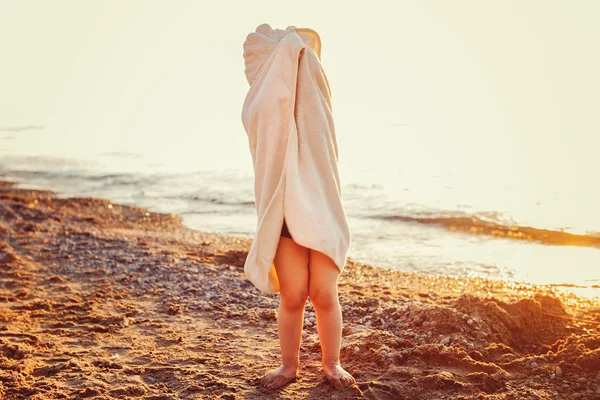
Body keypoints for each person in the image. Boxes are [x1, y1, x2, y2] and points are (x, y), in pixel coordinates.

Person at [255, 28, 356, 391]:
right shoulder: (270, 99)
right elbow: (262, 111)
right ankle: (288, 366)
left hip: (322, 209)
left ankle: (332, 364)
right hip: (285, 214)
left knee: (325, 293)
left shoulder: (317, 97)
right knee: (294, 294)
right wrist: (286, 49)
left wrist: (301, 52)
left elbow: (324, 152)